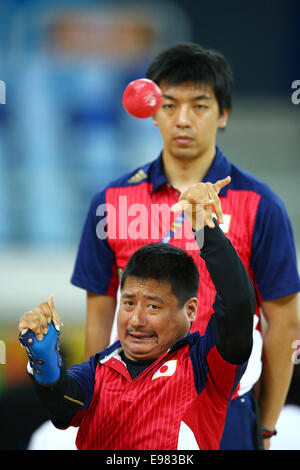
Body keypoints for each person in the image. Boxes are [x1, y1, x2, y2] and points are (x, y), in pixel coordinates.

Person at [70, 42, 300, 449]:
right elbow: (99, 315)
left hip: (224, 407)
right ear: (152, 110)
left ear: (223, 114)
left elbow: (284, 323)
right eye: (170, 105)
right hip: (130, 411)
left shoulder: (261, 206)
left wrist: (265, 428)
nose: (183, 120)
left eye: (199, 105)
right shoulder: (111, 201)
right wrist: (97, 407)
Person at [18, 179, 256, 450]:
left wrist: (205, 228)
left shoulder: (206, 365)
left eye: (153, 306)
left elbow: (238, 303)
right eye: (129, 303)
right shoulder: (96, 371)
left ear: (190, 310)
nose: (136, 320)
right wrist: (43, 360)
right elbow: (62, 403)